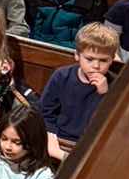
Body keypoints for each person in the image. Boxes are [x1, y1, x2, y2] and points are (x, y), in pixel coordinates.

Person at [39, 21, 118, 156]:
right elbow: (45, 112)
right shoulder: (62, 76)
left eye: (103, 60)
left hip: (92, 146)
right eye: (89, 59)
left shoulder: (116, 84)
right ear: (77, 55)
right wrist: (53, 140)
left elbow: (113, 124)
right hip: (58, 140)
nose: (96, 66)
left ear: (112, 59)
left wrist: (104, 95)